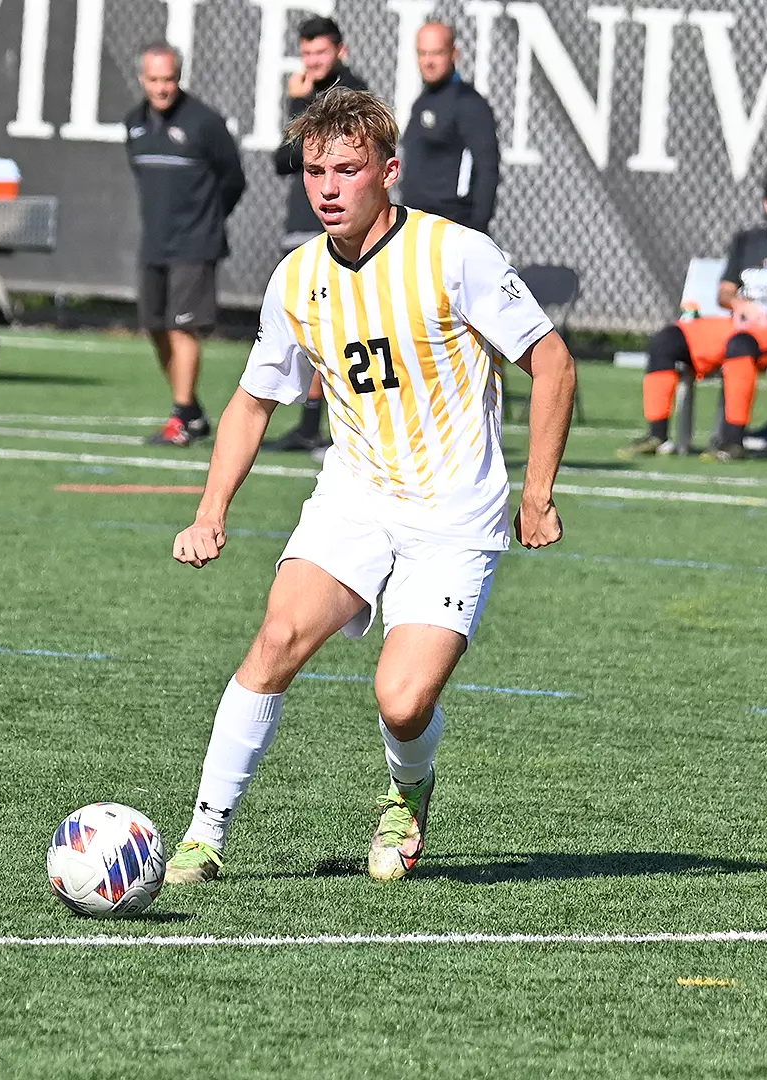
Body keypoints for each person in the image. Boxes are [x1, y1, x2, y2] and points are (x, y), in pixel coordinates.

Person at [161, 89, 575, 885]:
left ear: (388, 172)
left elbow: (553, 363)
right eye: (315, 171)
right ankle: (203, 836)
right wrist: (211, 511)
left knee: (402, 701)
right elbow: (253, 401)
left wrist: (537, 493)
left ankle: (408, 789)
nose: (327, 188)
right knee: (276, 641)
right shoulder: (297, 278)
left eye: (347, 170)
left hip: (453, 517)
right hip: (353, 501)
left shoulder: (455, 254)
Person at [618, 168, 767, 461]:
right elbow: (725, 293)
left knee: (741, 345)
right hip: (739, 326)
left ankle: (731, 441)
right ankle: (656, 435)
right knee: (668, 339)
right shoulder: (747, 241)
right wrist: (739, 304)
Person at [124, 42, 246, 448]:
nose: (162, 88)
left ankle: (179, 420)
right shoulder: (134, 124)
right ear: (142, 79)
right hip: (155, 244)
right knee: (156, 328)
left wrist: (207, 219)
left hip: (195, 244)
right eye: (154, 80)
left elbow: (234, 179)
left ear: (180, 77)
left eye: (169, 79)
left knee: (182, 328)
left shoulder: (205, 122)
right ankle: (190, 412)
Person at [264, 17, 367, 454]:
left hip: (338, 224)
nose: (313, 61)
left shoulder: (352, 97)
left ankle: (333, 426)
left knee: (338, 327)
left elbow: (296, 155)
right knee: (306, 325)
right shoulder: (309, 94)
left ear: (340, 51)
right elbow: (283, 160)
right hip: (303, 219)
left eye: (321, 52)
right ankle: (309, 425)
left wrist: (297, 104)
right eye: (306, 53)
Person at [400, 21, 500, 234]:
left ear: (454, 53)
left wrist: (476, 230)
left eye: (436, 53)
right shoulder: (423, 100)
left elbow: (487, 169)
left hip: (450, 225)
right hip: (415, 222)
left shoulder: (468, 104)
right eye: (422, 53)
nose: (428, 61)